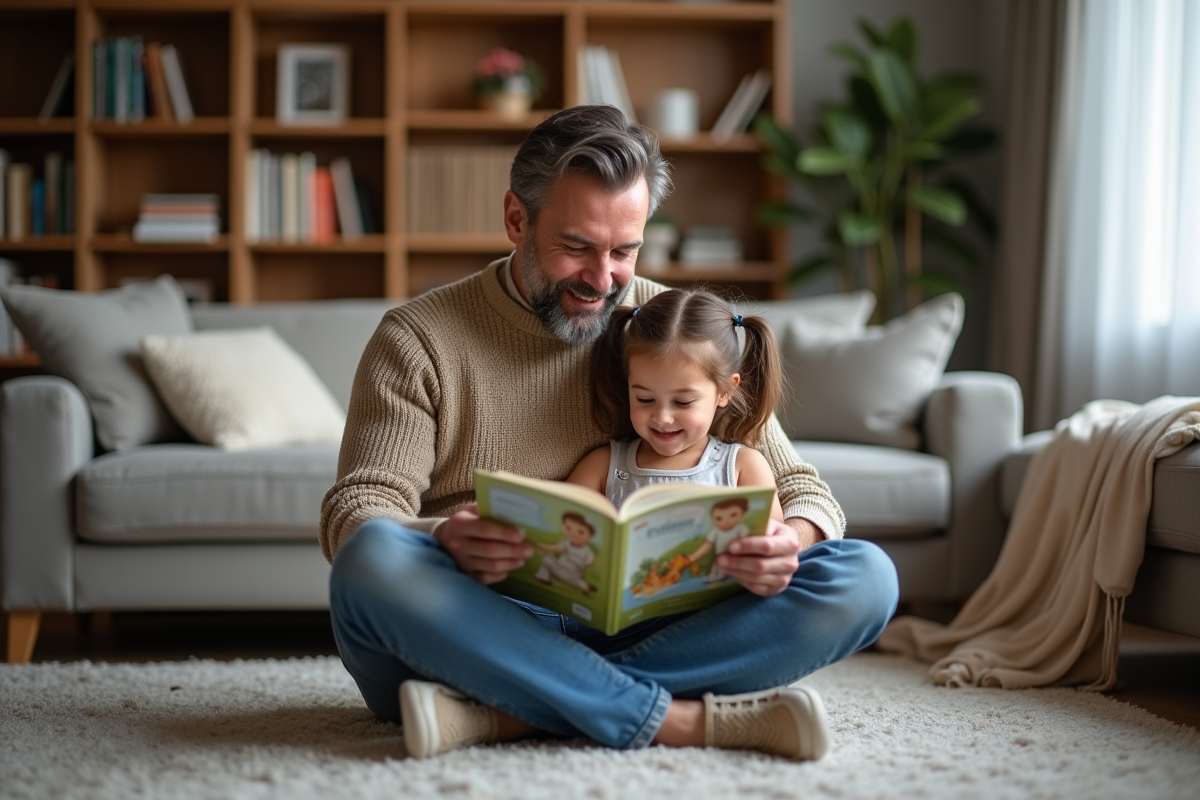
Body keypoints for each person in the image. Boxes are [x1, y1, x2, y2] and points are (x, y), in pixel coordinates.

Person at [320, 104, 899, 762]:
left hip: (650, 628)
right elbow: (359, 509)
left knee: (865, 577)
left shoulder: (661, 323)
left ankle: (511, 714)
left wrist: (787, 542)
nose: (603, 281)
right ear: (517, 219)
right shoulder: (418, 339)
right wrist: (444, 538)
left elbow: (803, 488)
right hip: (474, 626)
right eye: (577, 248)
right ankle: (681, 721)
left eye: (625, 251)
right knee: (371, 561)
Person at [565, 288, 789, 584]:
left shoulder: (744, 467)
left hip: (715, 612)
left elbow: (772, 559)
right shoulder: (602, 466)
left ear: (725, 391)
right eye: (645, 399)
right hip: (616, 620)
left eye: (683, 402)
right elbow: (565, 542)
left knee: (854, 561)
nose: (662, 417)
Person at [533, 512, 597, 594]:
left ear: (590, 536)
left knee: (547, 559)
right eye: (568, 528)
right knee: (548, 558)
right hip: (567, 572)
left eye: (581, 532)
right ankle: (585, 586)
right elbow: (556, 548)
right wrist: (542, 546)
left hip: (571, 574)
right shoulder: (568, 543)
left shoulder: (586, 551)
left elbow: (590, 562)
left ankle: (544, 577)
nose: (573, 534)